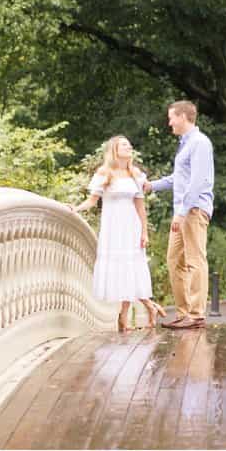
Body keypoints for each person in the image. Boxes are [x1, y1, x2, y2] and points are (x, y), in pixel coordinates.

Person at [70, 135, 166, 331]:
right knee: (119, 268)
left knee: (131, 267)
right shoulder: (105, 173)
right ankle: (145, 307)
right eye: (124, 145)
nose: (129, 147)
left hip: (131, 226)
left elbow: (140, 207)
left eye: (129, 145)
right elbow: (92, 201)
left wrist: (144, 232)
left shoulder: (135, 174)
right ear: (114, 149)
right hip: (113, 228)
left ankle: (125, 315)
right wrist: (76, 209)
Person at [142, 100, 214, 330]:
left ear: (183, 117)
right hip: (183, 211)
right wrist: (151, 186)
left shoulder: (200, 143)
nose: (169, 122)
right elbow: (179, 179)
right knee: (174, 261)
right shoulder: (186, 144)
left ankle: (196, 314)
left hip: (192, 210)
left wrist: (182, 213)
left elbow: (197, 181)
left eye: (172, 117)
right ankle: (184, 313)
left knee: (195, 261)